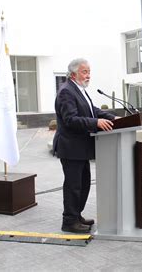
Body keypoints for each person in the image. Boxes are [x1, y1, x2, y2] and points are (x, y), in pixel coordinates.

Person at [53, 58, 116, 233]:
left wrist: (112, 117)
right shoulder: (66, 92)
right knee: (73, 186)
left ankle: (76, 215)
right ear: (73, 74)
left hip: (80, 149)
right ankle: (69, 221)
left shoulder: (79, 90)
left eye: (89, 71)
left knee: (83, 184)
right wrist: (96, 123)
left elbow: (92, 110)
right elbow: (70, 119)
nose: (88, 75)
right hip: (71, 148)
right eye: (84, 72)